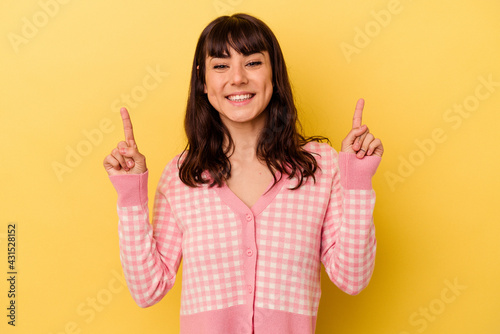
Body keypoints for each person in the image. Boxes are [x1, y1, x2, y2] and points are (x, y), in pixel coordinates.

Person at [103, 13, 383, 334]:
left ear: (274, 75)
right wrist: (129, 193)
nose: (237, 78)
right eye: (221, 66)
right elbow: (147, 289)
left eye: (252, 63)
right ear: (203, 83)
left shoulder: (321, 166)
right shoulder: (182, 175)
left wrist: (358, 183)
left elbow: (352, 278)